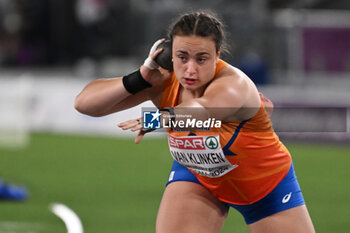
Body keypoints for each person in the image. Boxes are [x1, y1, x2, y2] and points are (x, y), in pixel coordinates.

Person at [75, 11, 315, 233]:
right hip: (199, 177)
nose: (190, 70)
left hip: (265, 186)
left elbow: (203, 109)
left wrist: (157, 118)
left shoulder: (234, 85)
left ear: (217, 55)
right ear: (169, 55)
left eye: (202, 59)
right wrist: (140, 77)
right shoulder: (163, 81)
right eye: (182, 57)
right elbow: (84, 104)